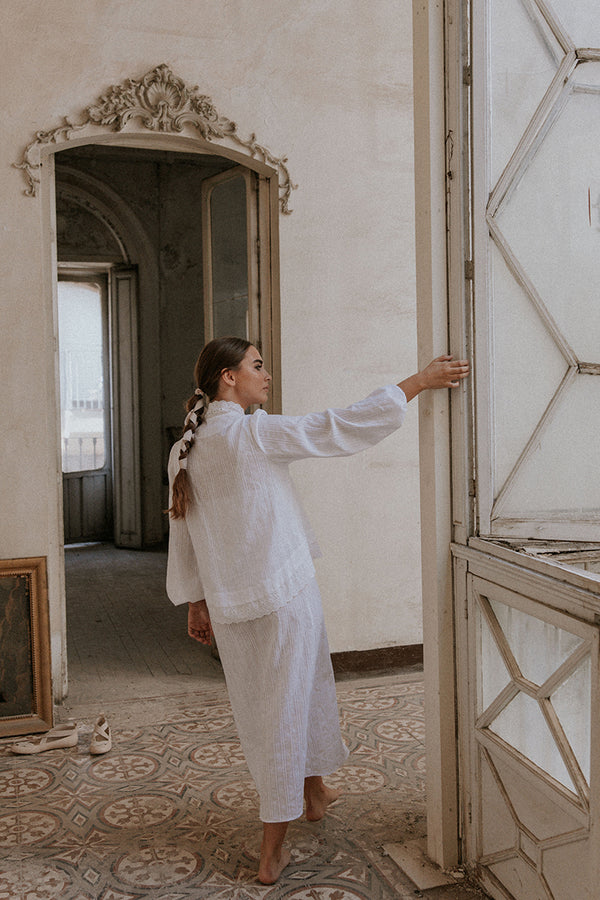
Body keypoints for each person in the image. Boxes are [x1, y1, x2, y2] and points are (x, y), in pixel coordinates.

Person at [166, 336, 469, 884]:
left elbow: (183, 531)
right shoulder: (253, 433)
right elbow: (338, 426)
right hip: (283, 596)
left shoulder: (184, 450)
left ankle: (314, 794)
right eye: (257, 366)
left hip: (236, 608)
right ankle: (272, 851)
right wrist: (418, 383)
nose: (267, 375)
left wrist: (196, 602)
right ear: (228, 378)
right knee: (283, 714)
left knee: (290, 698)